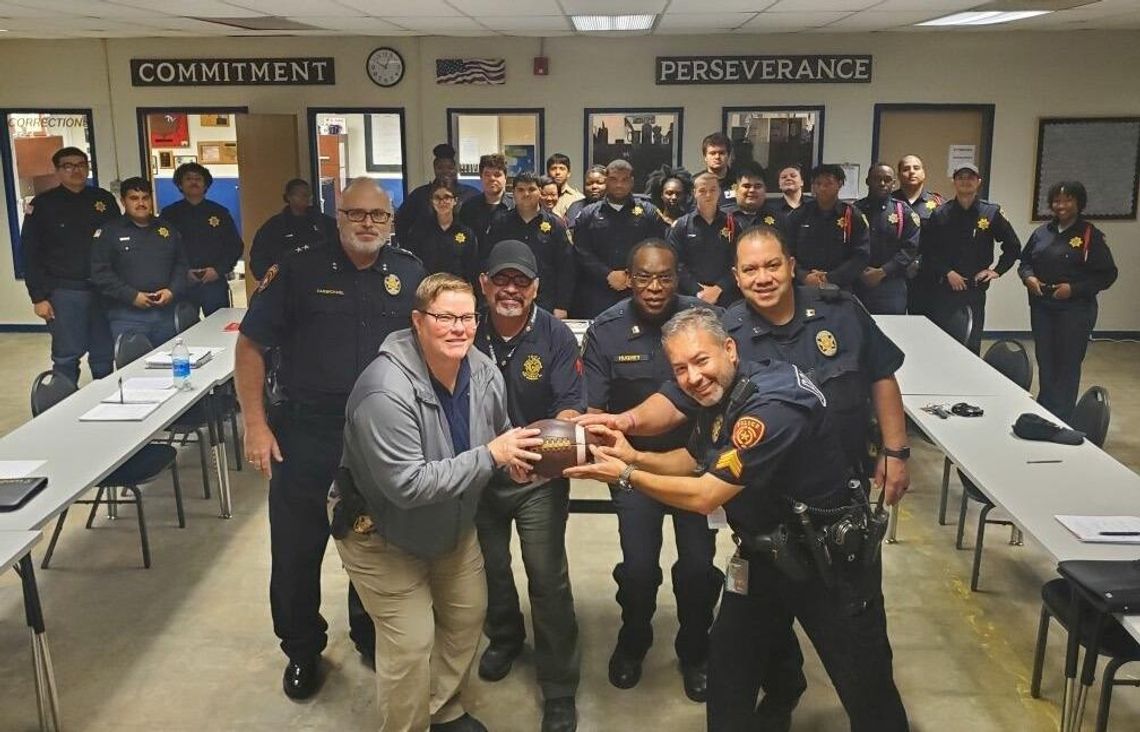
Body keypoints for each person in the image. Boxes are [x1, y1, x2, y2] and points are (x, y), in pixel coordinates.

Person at [579, 225, 911, 728]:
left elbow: (705, 492)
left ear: (730, 353)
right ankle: (780, 694)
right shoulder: (720, 393)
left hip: (827, 557)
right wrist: (631, 444)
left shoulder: (773, 401)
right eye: (682, 368)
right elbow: (692, 458)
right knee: (731, 675)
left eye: (701, 363)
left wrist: (625, 473)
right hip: (763, 547)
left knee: (866, 687)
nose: (693, 377)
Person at [235, 177, 425, 701]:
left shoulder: (409, 273)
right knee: (298, 550)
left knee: (377, 539)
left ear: (391, 222)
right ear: (337, 216)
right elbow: (251, 346)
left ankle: (368, 633)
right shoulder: (297, 270)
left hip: (383, 436)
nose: (367, 224)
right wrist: (255, 424)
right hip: (306, 431)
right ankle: (301, 649)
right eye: (356, 214)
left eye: (378, 216)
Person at [330, 272, 544, 732]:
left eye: (467, 317)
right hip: (381, 533)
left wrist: (511, 462)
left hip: (451, 527)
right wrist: (491, 455)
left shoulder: (484, 371)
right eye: (445, 317)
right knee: (410, 643)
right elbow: (407, 486)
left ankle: (442, 709)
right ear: (417, 321)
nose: (458, 328)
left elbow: (498, 433)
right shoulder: (384, 390)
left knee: (468, 616)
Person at [581, 239, 722, 704]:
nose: (655, 287)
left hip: (694, 465)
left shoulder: (702, 321)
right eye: (644, 277)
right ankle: (634, 637)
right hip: (632, 466)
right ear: (628, 276)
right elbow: (595, 408)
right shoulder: (607, 329)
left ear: (678, 274)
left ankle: (695, 647)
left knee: (699, 567)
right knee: (639, 569)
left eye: (665, 276)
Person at [472, 241, 584, 732]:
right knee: (488, 568)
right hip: (476, 471)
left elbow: (570, 409)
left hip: (537, 475)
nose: (510, 290)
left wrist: (538, 456)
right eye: (501, 280)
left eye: (521, 281)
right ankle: (504, 637)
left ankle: (559, 687)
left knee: (546, 575)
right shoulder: (465, 328)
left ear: (536, 288)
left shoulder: (556, 334)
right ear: (484, 284)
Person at [1019, 181, 1117, 422]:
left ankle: (1061, 416)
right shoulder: (1042, 232)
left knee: (1067, 362)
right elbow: (1025, 261)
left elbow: (1107, 274)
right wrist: (1028, 277)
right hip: (1042, 305)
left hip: (1075, 309)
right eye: (1057, 201)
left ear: (1079, 203)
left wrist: (1073, 289)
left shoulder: (1089, 234)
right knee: (1046, 358)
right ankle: (1045, 407)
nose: (1061, 205)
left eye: (1067, 200)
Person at [20, 145, 120, 384]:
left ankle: (106, 406)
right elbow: (29, 253)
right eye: (68, 166)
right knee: (66, 356)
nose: (76, 170)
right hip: (65, 291)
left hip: (103, 290)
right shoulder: (43, 205)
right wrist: (38, 297)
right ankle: (63, 406)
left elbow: (117, 241)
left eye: (81, 165)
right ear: (57, 171)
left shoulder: (103, 200)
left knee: (103, 354)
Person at [922, 164, 1021, 354]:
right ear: (954, 181)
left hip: (975, 289)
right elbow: (928, 251)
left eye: (971, 177)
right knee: (943, 342)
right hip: (944, 287)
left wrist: (996, 271)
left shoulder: (991, 212)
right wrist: (947, 272)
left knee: (972, 342)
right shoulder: (941, 213)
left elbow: (1013, 247)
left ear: (979, 182)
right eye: (960, 177)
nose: (965, 181)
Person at [90, 177, 187, 346]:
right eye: (134, 198)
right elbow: (101, 273)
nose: (141, 203)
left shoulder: (167, 230)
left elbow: (181, 265)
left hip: (166, 314)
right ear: (123, 201)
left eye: (145, 198)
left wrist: (172, 291)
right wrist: (132, 296)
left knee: (170, 368)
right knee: (133, 370)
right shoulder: (109, 232)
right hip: (127, 315)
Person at [572, 159, 667, 318]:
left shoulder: (648, 212)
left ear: (632, 182)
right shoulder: (589, 214)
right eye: (614, 179)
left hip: (639, 289)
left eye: (624, 180)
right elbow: (581, 251)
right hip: (597, 292)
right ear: (606, 181)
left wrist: (632, 274)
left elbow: (658, 248)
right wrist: (607, 274)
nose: (619, 184)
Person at [484, 171, 576, 318]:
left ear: (540, 192)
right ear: (513, 193)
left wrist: (562, 305)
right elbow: (488, 262)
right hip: (508, 297)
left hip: (546, 301)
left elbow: (566, 268)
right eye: (520, 190)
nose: (526, 194)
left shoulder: (556, 225)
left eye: (531, 189)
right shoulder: (500, 224)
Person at [160, 162, 243, 316]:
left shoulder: (219, 213)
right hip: (182, 282)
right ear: (180, 184)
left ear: (206, 185)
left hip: (214, 280)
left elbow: (235, 246)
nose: (193, 182)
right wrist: (182, 273)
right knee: (183, 330)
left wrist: (218, 270)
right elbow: (162, 249)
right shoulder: (169, 214)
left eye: (198, 179)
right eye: (188, 179)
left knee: (219, 327)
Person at [787, 164, 869, 292]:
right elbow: (787, 252)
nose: (822, 188)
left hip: (841, 286)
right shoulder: (799, 215)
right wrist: (804, 276)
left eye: (828, 183)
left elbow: (861, 255)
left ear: (840, 184)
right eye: (817, 184)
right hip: (804, 285)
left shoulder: (852, 215)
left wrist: (830, 278)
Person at [853, 163, 921, 314]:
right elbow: (846, 245)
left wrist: (882, 272)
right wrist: (859, 271)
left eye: (887, 179)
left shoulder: (904, 212)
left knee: (891, 332)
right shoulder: (853, 211)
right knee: (857, 332)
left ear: (894, 183)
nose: (882, 183)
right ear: (868, 181)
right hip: (858, 283)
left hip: (892, 285)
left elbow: (910, 249)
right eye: (877, 179)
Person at [667, 172, 737, 307]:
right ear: (694, 193)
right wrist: (698, 291)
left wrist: (718, 289)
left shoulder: (733, 224)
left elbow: (738, 262)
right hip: (689, 298)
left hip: (726, 297)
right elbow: (675, 263)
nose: (708, 195)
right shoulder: (682, 225)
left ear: (719, 192)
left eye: (713, 190)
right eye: (702, 190)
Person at [249, 178, 338, 280]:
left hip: (322, 282)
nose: (307, 198)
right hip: (287, 285)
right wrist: (271, 280)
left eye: (308, 194)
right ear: (289, 197)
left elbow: (339, 246)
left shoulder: (324, 223)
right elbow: (259, 257)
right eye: (302, 194)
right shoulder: (274, 227)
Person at [395, 143, 479, 247]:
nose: (445, 172)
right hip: (427, 251)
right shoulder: (420, 195)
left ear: (456, 168)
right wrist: (408, 247)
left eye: (450, 167)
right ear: (434, 168)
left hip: (462, 249)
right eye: (440, 168)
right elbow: (401, 222)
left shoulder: (471, 194)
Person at [892, 155, 943, 316]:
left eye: (916, 168)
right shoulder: (890, 201)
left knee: (923, 324)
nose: (911, 172)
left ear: (924, 173)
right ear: (899, 175)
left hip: (927, 275)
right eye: (906, 169)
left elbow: (944, 242)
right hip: (893, 273)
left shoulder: (938, 204)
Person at [405, 180, 480, 286]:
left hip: (457, 290)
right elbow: (413, 265)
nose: (442, 201)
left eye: (447, 197)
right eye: (437, 198)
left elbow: (472, 268)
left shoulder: (466, 233)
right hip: (428, 290)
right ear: (432, 201)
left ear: (455, 201)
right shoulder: (419, 232)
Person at [457, 153, 514, 254]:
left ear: (505, 177)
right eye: (487, 175)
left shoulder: (515, 206)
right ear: (481, 177)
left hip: (506, 265)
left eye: (497, 175)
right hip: (475, 266)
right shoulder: (469, 207)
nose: (492, 178)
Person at [723, 161, 788, 236]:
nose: (752, 190)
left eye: (757, 186)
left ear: (765, 190)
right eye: (746, 186)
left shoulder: (780, 218)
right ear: (736, 190)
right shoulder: (721, 217)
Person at [565, 165, 606, 230]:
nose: (594, 187)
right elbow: (572, 232)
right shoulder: (575, 207)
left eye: (599, 183)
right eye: (589, 183)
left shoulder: (614, 206)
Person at [701, 132, 735, 205]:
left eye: (721, 153)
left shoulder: (739, 182)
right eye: (712, 153)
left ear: (728, 155)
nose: (717, 157)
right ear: (705, 157)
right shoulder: (696, 182)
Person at [547, 153, 584, 218]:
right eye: (553, 168)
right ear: (548, 173)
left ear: (568, 173)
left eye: (562, 168)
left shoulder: (578, 198)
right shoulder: (540, 197)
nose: (557, 172)